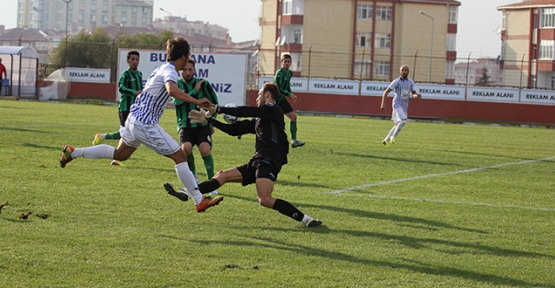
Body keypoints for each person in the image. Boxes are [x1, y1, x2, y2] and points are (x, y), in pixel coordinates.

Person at [59, 37, 223, 213]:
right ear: (183, 56)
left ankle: (74, 152)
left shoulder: (160, 68)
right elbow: (172, 90)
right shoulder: (170, 71)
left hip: (133, 118)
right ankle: (199, 200)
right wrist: (197, 100)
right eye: (188, 55)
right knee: (180, 156)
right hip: (145, 123)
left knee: (119, 154)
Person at [164, 82, 322, 227]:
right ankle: (189, 191)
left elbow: (245, 111)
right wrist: (209, 119)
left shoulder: (273, 109)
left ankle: (306, 219)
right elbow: (234, 130)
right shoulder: (262, 118)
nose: (257, 97)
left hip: (269, 159)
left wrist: (218, 109)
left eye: (259, 94)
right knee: (223, 175)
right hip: (258, 159)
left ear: (267, 95)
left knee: (265, 199)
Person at [174, 58, 219, 194]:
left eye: (190, 69)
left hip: (201, 124)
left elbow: (214, 104)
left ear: (194, 69)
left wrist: (212, 121)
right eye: (184, 70)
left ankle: (212, 183)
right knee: (185, 148)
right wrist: (194, 91)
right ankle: (193, 177)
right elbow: (177, 102)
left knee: (205, 149)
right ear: (180, 70)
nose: (187, 72)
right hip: (185, 125)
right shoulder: (176, 85)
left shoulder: (204, 84)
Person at [92, 51, 143, 152]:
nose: (135, 61)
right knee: (126, 132)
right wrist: (134, 92)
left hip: (135, 108)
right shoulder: (126, 75)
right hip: (125, 107)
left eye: (137, 59)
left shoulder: (139, 74)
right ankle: (116, 157)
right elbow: (121, 88)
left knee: (129, 132)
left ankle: (102, 137)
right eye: (132, 59)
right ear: (127, 61)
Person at [380, 65, 422, 145]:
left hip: (405, 106)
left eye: (406, 70)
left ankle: (386, 140)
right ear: (400, 72)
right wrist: (383, 103)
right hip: (397, 104)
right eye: (402, 70)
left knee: (398, 124)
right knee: (403, 121)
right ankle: (393, 137)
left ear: (408, 72)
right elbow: (386, 92)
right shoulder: (396, 82)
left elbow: (413, 93)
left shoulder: (410, 82)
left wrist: (417, 96)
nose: (404, 72)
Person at [274, 54, 305, 148]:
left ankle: (294, 141)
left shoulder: (289, 73)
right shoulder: (279, 73)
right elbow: (277, 88)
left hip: (282, 100)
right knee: (265, 120)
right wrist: (289, 94)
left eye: (288, 61)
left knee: (293, 117)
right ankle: (243, 129)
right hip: (274, 100)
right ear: (281, 63)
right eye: (285, 61)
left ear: (291, 63)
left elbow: (287, 85)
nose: (287, 63)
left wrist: (291, 94)